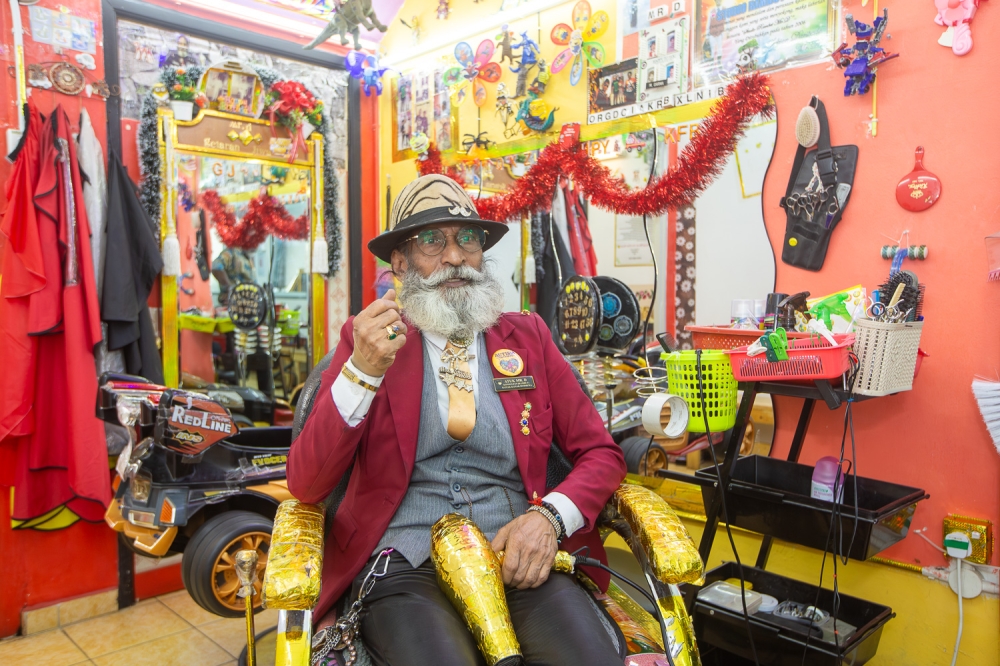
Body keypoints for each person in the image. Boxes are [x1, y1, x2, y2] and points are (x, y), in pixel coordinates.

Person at [288, 174, 628, 666]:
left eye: (467, 239)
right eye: (432, 241)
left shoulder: (528, 338)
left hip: (519, 553)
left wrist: (549, 519)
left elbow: (601, 453)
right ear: (400, 262)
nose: (454, 257)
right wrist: (361, 371)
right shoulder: (367, 341)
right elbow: (306, 482)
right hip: (404, 561)